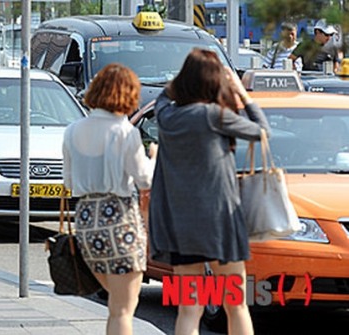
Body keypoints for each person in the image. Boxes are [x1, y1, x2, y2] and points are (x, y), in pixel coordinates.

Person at [149, 49, 271, 335]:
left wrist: (182, 80)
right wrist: (241, 91)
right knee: (235, 303)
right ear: (214, 82)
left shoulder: (167, 116)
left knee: (189, 308)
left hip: (180, 228)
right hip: (219, 224)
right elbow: (262, 131)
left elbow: (163, 97)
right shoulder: (213, 116)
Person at [63, 63, 157, 335]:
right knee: (123, 310)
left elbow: (69, 182)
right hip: (119, 221)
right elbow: (144, 180)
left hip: (86, 222)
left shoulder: (72, 131)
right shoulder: (124, 132)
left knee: (115, 308)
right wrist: (153, 158)